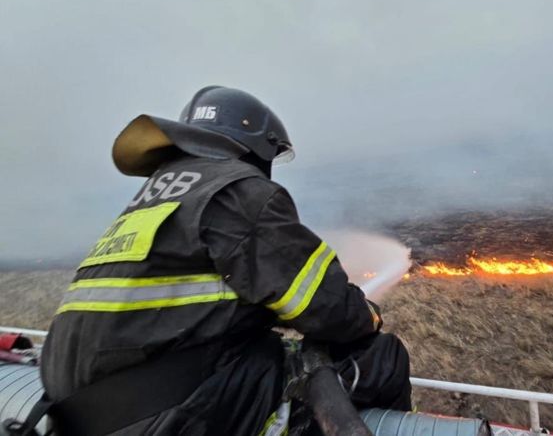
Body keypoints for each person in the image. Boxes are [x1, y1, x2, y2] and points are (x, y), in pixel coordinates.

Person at [39, 86, 412, 436]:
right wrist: (367, 315)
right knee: (383, 359)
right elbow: (327, 309)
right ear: (255, 148)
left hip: (77, 409)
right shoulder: (240, 191)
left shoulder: (154, 198)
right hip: (162, 413)